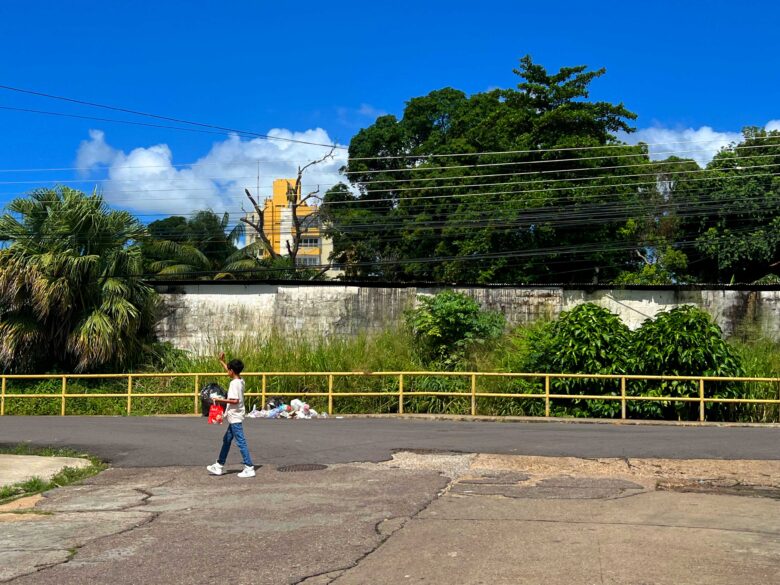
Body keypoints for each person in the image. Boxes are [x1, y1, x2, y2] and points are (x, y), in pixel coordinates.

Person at [206, 352, 255, 478]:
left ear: (232, 371)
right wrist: (222, 361)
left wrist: (218, 399)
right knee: (227, 440)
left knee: (241, 442)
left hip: (235, 416)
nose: (227, 371)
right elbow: (230, 370)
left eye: (228, 369)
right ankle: (219, 465)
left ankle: (249, 467)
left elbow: (235, 400)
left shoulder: (234, 384)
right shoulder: (240, 381)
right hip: (235, 415)